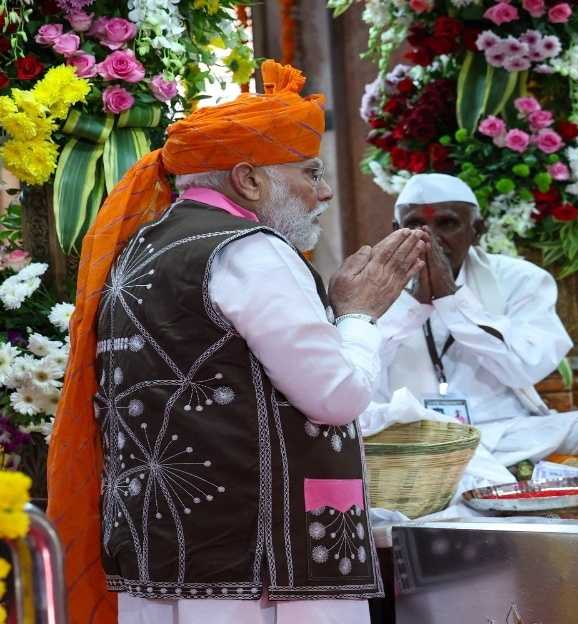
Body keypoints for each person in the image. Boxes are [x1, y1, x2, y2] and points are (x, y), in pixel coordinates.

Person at [46, 60, 428, 624]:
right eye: (310, 173)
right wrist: (359, 316)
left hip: (167, 556)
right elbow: (336, 397)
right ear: (248, 180)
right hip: (257, 575)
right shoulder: (251, 250)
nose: (323, 193)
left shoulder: (140, 248)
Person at [360, 174, 578, 501]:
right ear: (395, 231)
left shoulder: (522, 280)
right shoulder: (370, 285)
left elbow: (525, 367)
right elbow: (361, 370)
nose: (429, 237)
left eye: (447, 223)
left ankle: (472, 470)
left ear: (477, 229)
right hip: (415, 430)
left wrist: (451, 300)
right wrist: (415, 304)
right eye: (414, 225)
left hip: (502, 429)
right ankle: (494, 472)